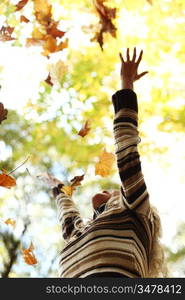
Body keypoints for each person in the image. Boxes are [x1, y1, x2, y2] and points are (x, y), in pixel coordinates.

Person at [52, 48, 167, 278]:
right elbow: (67, 215)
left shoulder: (134, 209)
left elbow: (126, 149)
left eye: (115, 191)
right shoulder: (77, 231)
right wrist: (58, 190)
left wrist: (126, 82)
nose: (106, 188)